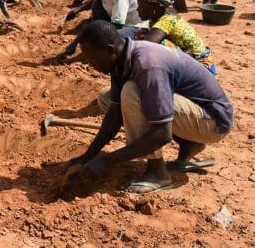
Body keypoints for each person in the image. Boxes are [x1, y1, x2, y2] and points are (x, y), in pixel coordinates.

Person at [67, 20, 233, 193]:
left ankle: (158, 173)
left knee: (131, 93)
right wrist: (88, 156)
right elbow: (115, 114)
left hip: (214, 122)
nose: (90, 64)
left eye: (92, 58)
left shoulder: (148, 65)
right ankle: (189, 144)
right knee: (109, 98)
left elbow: (162, 134)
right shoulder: (121, 59)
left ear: (110, 50)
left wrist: (107, 160)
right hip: (196, 113)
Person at [59, 0, 145, 59]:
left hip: (134, 26)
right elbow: (93, 13)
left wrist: (94, 34)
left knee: (103, 40)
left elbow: (117, 25)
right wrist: (76, 41)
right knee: (96, 5)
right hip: (117, 21)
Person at [136, 0, 216, 74]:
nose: (137, 9)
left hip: (202, 67)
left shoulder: (167, 21)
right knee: (142, 33)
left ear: (154, 8)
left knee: (150, 45)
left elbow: (146, 45)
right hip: (191, 61)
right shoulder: (156, 18)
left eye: (141, 6)